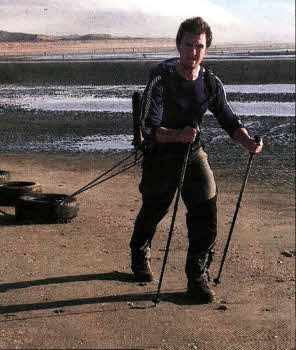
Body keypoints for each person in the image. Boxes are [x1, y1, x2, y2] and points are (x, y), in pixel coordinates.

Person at [130, 16, 263, 303]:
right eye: (188, 45)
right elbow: (148, 128)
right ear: (178, 46)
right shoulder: (161, 77)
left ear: (207, 49)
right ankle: (140, 254)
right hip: (161, 153)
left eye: (199, 46)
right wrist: (178, 135)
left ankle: (197, 277)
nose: (193, 52)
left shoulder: (210, 82)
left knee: (205, 210)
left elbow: (228, 118)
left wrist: (248, 142)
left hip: (193, 153)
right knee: (155, 207)